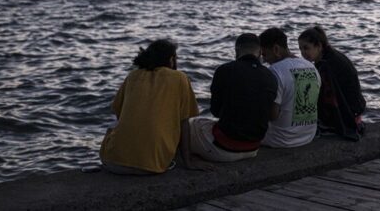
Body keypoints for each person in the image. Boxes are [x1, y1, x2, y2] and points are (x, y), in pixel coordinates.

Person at [99, 39, 204, 174]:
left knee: (114, 125)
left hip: (112, 161)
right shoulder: (180, 78)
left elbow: (118, 113)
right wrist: (188, 161)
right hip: (151, 166)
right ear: (171, 59)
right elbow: (184, 122)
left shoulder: (133, 76)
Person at [187, 33, 279, 162]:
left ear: (236, 51)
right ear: (260, 52)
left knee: (190, 124)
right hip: (254, 148)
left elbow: (215, 111)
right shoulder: (270, 76)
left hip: (224, 148)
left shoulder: (224, 70)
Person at [298, 26, 366, 140]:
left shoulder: (326, 64)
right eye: (300, 49)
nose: (303, 53)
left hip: (348, 113)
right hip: (355, 110)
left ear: (319, 46)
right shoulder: (331, 55)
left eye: (306, 48)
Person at [259, 28, 321, 148]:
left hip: (280, 139)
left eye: (265, 54)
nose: (264, 60)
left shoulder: (275, 71)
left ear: (276, 49)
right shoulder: (311, 67)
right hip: (308, 136)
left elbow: (272, 115)